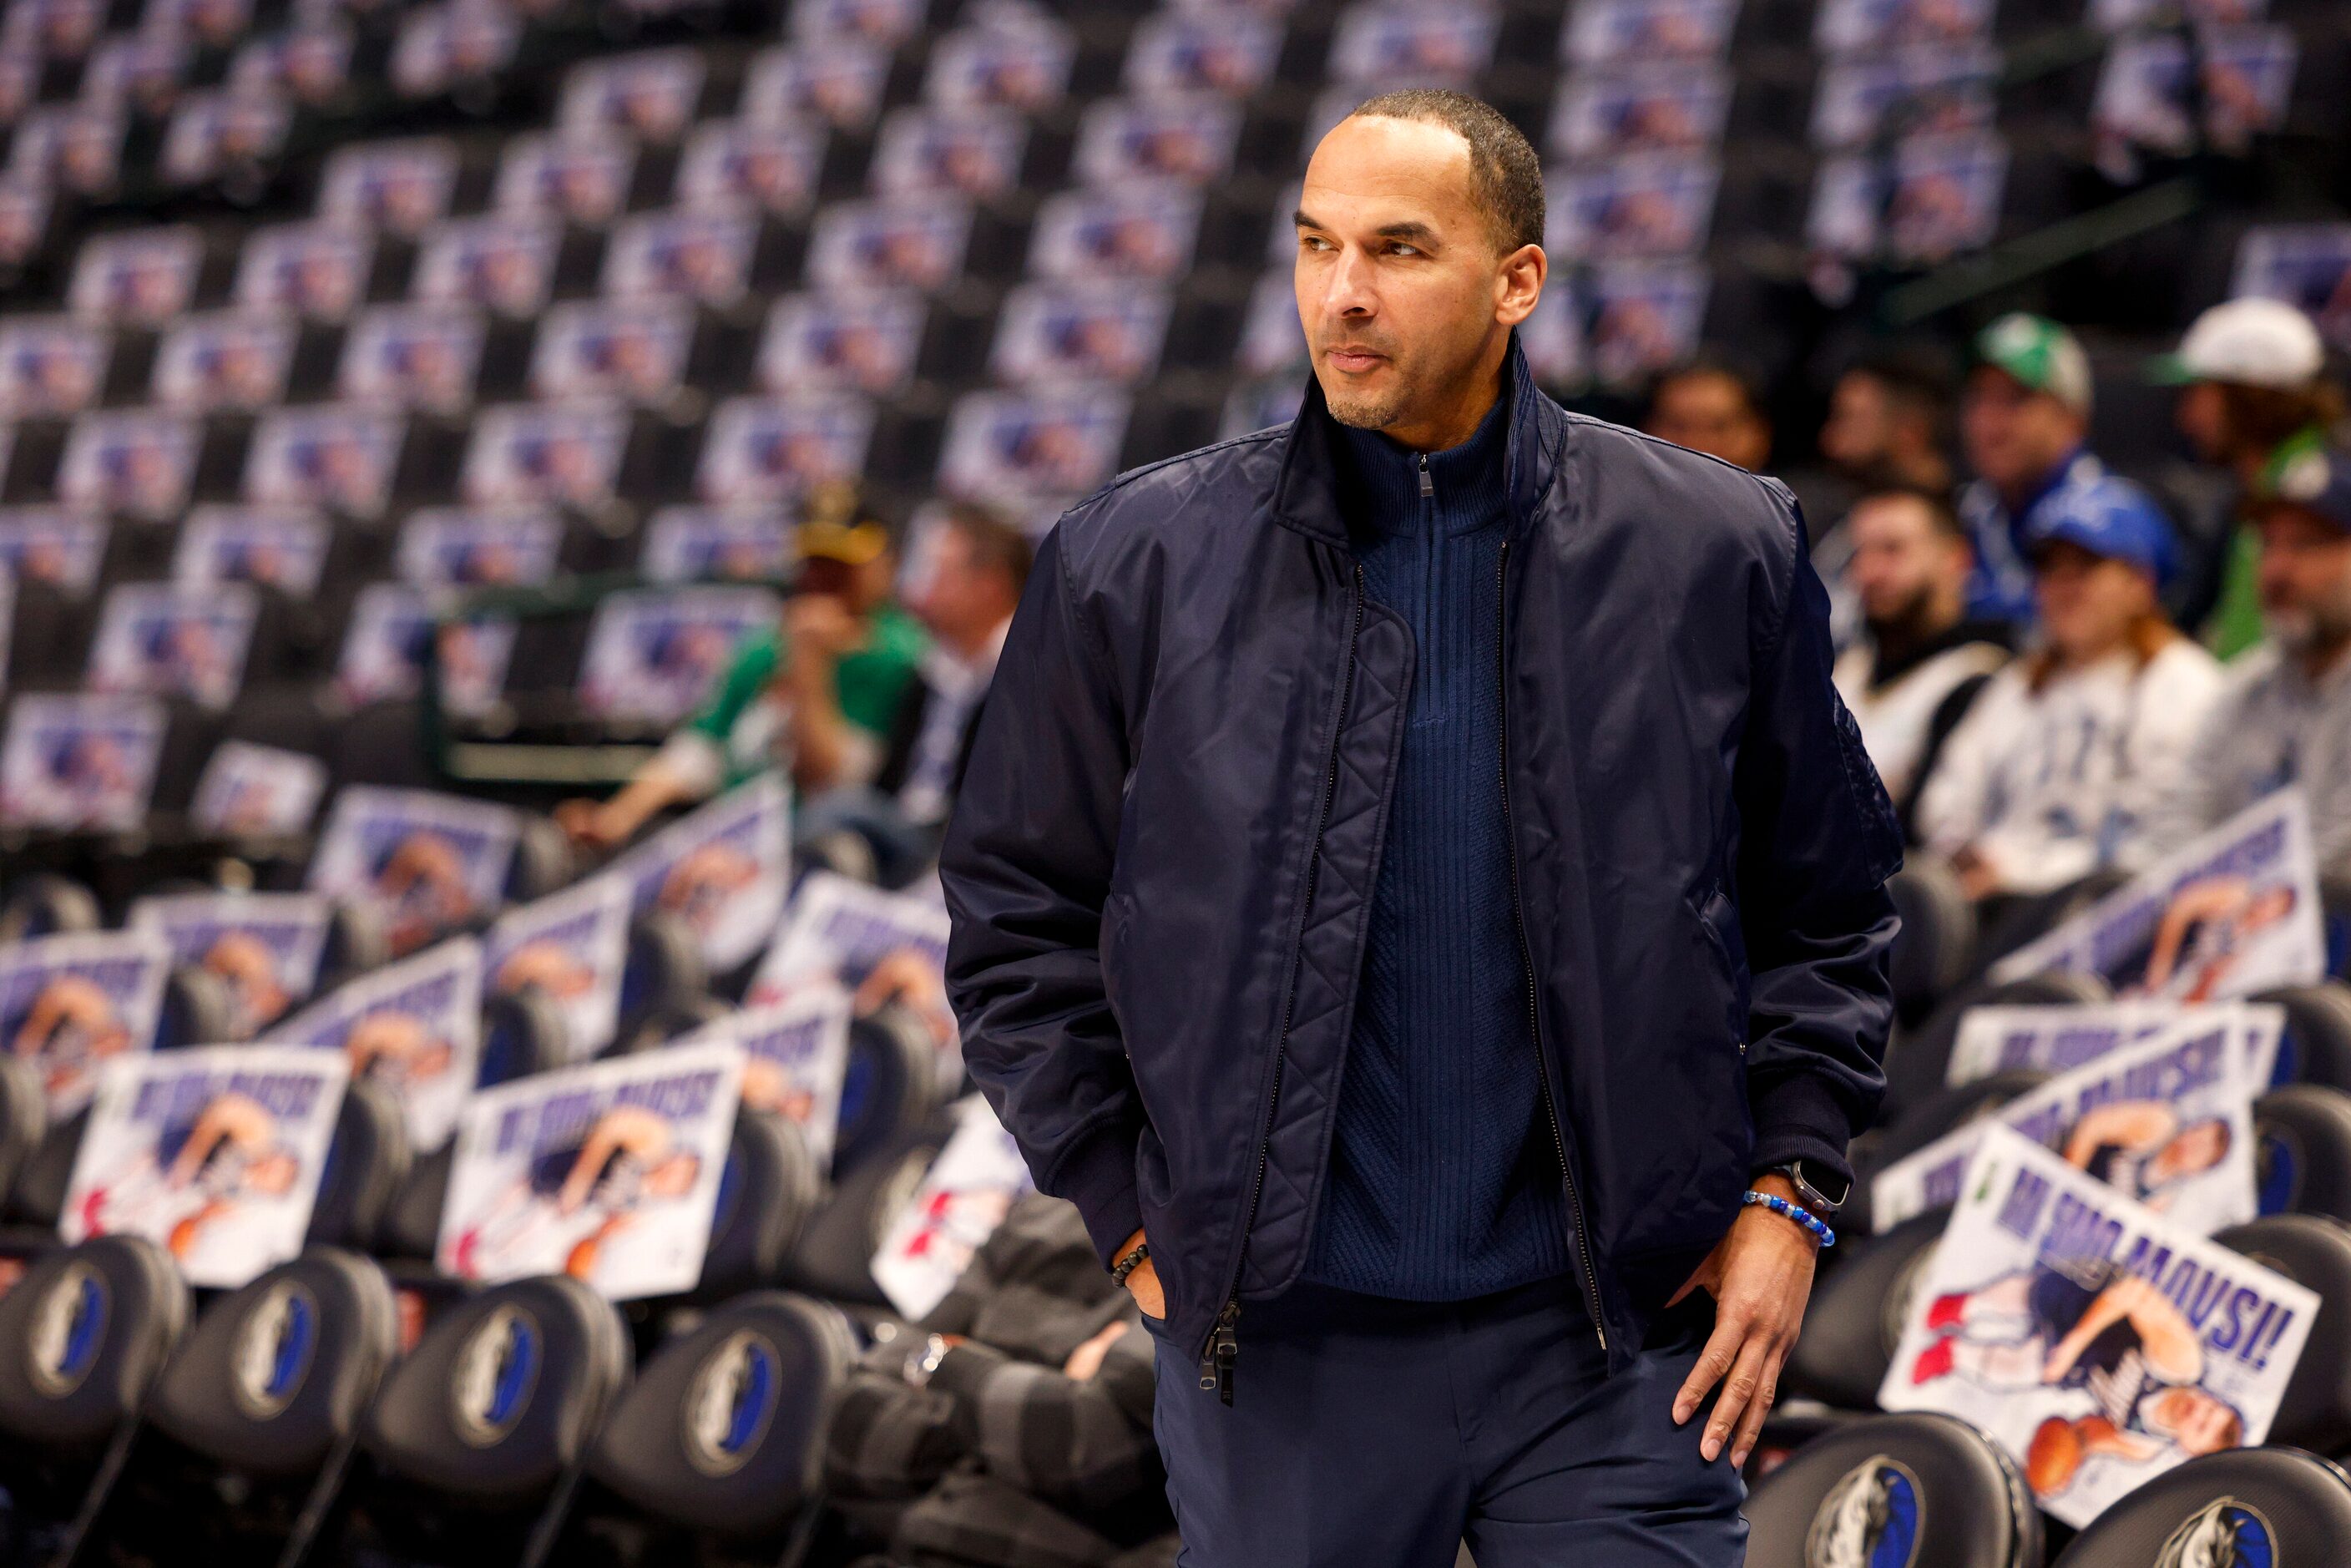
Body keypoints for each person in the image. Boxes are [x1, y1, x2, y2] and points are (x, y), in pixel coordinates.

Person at [941, 89, 1900, 1567]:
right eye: (1316, 246)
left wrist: (1790, 1191)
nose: (1342, 293)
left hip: (1617, 1342)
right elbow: (1014, 909)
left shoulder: (1716, 546)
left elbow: (1827, 906)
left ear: (1516, 279)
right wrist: (1133, 1216)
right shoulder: (1130, 561)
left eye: (1396, 249)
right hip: (1287, 1355)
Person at [1917, 473, 2224, 900]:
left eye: (2086, 569)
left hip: (2101, 909)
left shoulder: (2186, 685)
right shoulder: (2016, 684)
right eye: (2049, 569)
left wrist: (2020, 872)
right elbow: (1946, 804)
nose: (2063, 588)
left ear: (2141, 584)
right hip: (1986, 901)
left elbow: (2160, 841)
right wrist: (1969, 857)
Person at [827, 1196, 1177, 1568]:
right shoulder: (1041, 1213)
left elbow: (1084, 1442)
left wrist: (942, 1370)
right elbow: (850, 1426)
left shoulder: (1203, 1260)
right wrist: (1021, 1419)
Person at [2151, 438, 2351, 880]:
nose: (2277, 570)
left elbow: (2341, 864)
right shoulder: (2244, 688)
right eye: (2269, 545)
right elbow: (2175, 822)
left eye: (2306, 546)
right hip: (2227, 926)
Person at [2153, 297, 2343, 658]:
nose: (2186, 417)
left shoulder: (2325, 497)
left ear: (2249, 393)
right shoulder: (2249, 492)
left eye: (2199, 392)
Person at [1831, 485, 2012, 832]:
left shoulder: (1984, 676)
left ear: (1956, 558)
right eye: (1861, 553)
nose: (1869, 572)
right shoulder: (1843, 671)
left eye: (1892, 550)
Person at [1957, 312, 2110, 626]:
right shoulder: (1966, 512)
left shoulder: (2112, 523)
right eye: (1979, 398)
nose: (1989, 423)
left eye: (2014, 400)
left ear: (2072, 417)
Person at [1643, 356, 1772, 472]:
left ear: (1759, 434)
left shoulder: (1787, 496)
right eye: (1678, 427)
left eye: (1718, 428)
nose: (1697, 445)